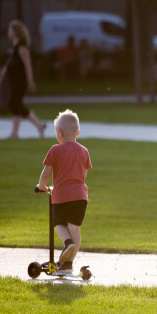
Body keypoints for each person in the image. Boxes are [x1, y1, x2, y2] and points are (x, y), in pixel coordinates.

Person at [37, 109, 92, 274]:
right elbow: (83, 174)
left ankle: (67, 243)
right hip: (81, 196)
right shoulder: (84, 151)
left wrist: (41, 186)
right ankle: (68, 265)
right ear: (78, 132)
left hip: (61, 195)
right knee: (75, 229)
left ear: (59, 132)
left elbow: (47, 173)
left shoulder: (55, 150)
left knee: (59, 223)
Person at [0, 20, 46, 138]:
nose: (8, 32)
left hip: (21, 79)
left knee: (13, 103)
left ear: (16, 32)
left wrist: (30, 81)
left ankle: (15, 133)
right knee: (16, 104)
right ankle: (39, 126)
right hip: (13, 79)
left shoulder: (22, 46)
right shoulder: (12, 47)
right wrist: (0, 78)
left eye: (10, 30)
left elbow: (28, 65)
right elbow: (8, 65)